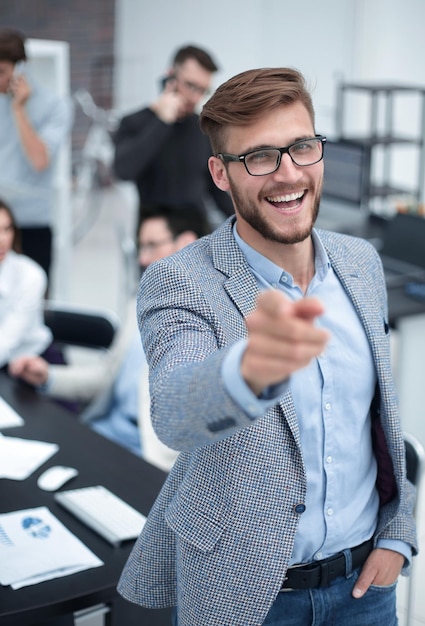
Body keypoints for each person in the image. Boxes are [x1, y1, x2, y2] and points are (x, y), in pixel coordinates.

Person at [117, 68, 418, 626]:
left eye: (302, 147)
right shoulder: (180, 280)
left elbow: (376, 424)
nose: (288, 175)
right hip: (248, 597)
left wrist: (398, 534)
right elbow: (174, 411)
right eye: (259, 157)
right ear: (220, 173)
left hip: (365, 588)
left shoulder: (360, 263)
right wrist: (249, 370)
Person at [9, 205, 209, 469]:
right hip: (105, 433)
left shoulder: (209, 319)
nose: (142, 258)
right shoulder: (140, 301)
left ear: (186, 244)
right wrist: (49, 376)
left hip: (148, 456)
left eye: (151, 246)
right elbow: (106, 378)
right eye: (141, 247)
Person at [113, 44, 233, 228]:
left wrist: (246, 220)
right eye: (191, 86)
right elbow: (123, 171)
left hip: (195, 236)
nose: (195, 97)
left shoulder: (203, 128)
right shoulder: (134, 122)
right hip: (154, 240)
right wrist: (162, 122)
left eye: (203, 90)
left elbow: (215, 189)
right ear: (170, 76)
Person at [0, 28, 73, 279]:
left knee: (36, 303)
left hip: (32, 226)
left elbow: (39, 160)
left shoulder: (56, 106)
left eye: (1, 72)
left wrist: (18, 109)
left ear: (21, 68)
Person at [0, 198, 53, 369]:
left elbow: (6, 341)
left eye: (7, 229)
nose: (2, 239)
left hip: (30, 365)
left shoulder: (31, 276)